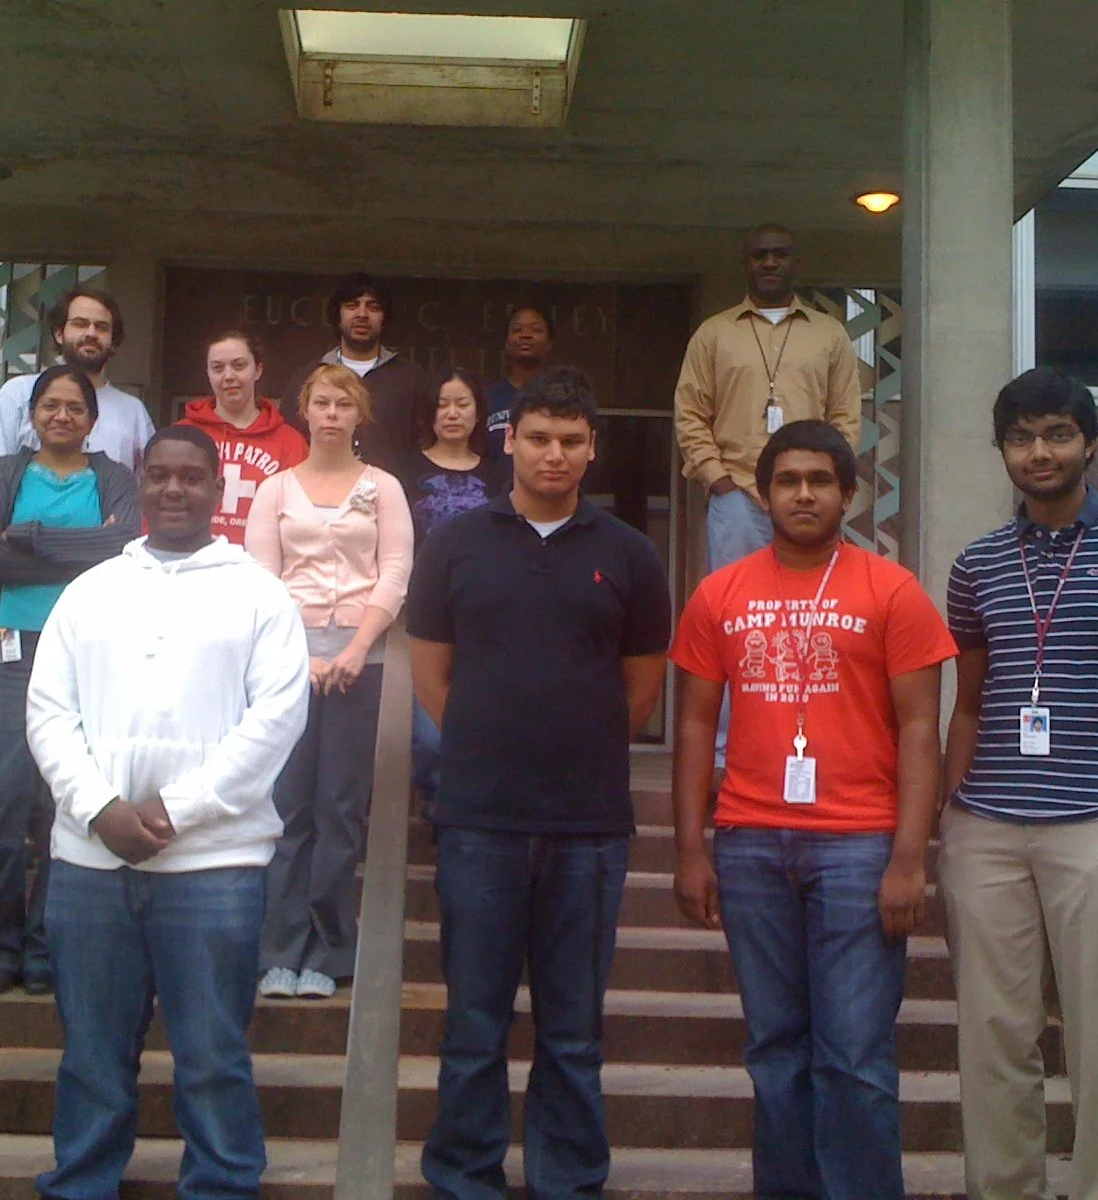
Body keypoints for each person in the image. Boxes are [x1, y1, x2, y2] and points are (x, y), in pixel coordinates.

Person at [667, 419, 956, 1200]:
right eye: (787, 480)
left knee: (855, 1056)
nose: (802, 493)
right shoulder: (720, 593)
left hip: (859, 847)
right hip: (751, 841)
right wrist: (691, 848)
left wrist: (908, 855)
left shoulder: (891, 590)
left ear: (848, 495)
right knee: (774, 1049)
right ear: (763, 495)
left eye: (819, 480)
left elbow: (921, 728)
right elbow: (694, 722)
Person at [25, 424, 310, 1200]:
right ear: (140, 486)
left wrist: (175, 811)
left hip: (214, 866)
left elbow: (276, 721)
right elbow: (49, 712)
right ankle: (81, 1184)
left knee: (213, 1053)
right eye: (159, 477)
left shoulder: (258, 592)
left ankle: (221, 1186)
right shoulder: (92, 591)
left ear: (218, 493)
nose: (174, 490)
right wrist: (99, 808)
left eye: (191, 477)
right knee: (91, 1052)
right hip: (90, 864)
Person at [408, 366, 672, 1200]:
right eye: (538, 438)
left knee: (571, 1029)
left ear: (592, 450)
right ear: (508, 441)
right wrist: (494, 749)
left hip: (587, 826)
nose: (553, 454)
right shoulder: (454, 546)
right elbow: (431, 678)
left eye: (570, 441)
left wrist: (571, 751)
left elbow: (641, 689)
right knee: (474, 1023)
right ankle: (463, 1175)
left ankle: (568, 1178)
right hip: (479, 820)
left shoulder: (629, 554)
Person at [942, 367, 1098, 1200]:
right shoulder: (977, 564)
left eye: (1056, 433)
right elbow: (971, 707)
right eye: (1021, 437)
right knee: (992, 1037)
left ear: (1090, 443)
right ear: (1002, 450)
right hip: (987, 827)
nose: (1039, 451)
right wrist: (955, 814)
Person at [0, 364, 142, 996]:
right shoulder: (6, 474)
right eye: (50, 406)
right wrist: (78, 547)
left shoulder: (116, 479)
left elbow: (122, 549)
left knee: (61, 802)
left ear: (93, 421)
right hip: (12, 650)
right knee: (4, 797)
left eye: (75, 407)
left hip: (88, 654)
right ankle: (0, 942)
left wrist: (33, 538)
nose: (61, 416)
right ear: (32, 414)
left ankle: (42, 943)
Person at [247, 363, 413, 999]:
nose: (333, 413)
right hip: (288, 664)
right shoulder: (276, 489)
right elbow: (264, 577)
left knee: (340, 809)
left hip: (360, 665)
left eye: (345, 403)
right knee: (288, 807)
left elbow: (395, 570)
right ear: (305, 411)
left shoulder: (383, 488)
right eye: (322, 402)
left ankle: (330, 949)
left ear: (359, 414)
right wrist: (300, 656)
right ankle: (280, 948)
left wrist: (358, 647)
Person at [673, 225, 863, 766]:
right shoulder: (714, 334)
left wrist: (825, 482)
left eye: (781, 254)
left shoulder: (829, 334)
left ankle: (798, 744)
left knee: (812, 622)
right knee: (735, 623)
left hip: (807, 498)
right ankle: (724, 755)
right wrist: (718, 478)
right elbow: (690, 414)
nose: (771, 264)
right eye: (760, 256)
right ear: (745, 264)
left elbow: (846, 417)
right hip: (737, 497)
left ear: (795, 261)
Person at [398, 367, 507, 812]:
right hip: (421, 617)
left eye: (462, 403)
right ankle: (436, 799)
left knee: (483, 723)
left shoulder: (501, 476)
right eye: (442, 404)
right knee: (429, 735)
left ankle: (461, 812)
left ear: (478, 412)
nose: (452, 413)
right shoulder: (404, 471)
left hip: (484, 617)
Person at [0, 285, 156, 474]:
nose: (91, 333)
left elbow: (147, 483)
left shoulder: (133, 411)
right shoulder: (18, 393)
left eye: (101, 327)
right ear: (59, 334)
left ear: (113, 342)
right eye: (80, 324)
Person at [277, 272, 428, 477]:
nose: (362, 314)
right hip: (317, 496)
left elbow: (426, 446)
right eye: (352, 305)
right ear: (337, 315)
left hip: (388, 496)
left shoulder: (412, 379)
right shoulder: (307, 376)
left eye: (373, 306)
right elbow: (286, 441)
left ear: (384, 318)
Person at [177, 329, 308, 544]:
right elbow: (157, 509)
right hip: (191, 564)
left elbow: (303, 519)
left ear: (258, 369)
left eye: (239, 366)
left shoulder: (291, 443)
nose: (228, 376)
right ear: (208, 373)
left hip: (262, 567)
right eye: (218, 368)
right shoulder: (182, 436)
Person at [483, 305, 553, 473]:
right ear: (507, 343)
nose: (526, 335)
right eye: (517, 330)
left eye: (536, 329)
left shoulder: (563, 398)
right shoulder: (487, 398)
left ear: (549, 343)